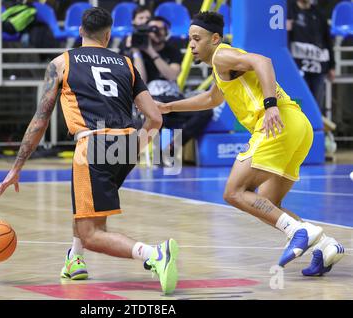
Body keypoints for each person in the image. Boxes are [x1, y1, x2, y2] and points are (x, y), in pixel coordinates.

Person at [0, 7, 179, 294]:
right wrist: (134, 149)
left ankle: (153, 254)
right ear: (107, 36)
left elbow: (40, 120)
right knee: (86, 206)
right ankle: (74, 259)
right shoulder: (127, 63)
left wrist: (16, 167)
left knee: (92, 234)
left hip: (94, 142)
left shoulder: (61, 62)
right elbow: (155, 118)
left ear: (80, 31)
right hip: (127, 142)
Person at [157, 11, 344, 276]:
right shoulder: (221, 67)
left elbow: (262, 60)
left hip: (276, 124)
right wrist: (169, 106)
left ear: (215, 38)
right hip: (299, 127)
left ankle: (301, 231)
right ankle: (325, 246)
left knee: (233, 192)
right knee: (269, 205)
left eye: (197, 39)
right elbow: (211, 100)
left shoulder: (222, 54)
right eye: (190, 40)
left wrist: (269, 105)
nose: (191, 46)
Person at [122, 15, 213, 166]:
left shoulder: (172, 49)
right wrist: (138, 52)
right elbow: (141, 80)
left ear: (166, 32)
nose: (156, 32)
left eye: (160, 29)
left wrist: (152, 52)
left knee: (205, 112)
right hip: (153, 100)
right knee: (154, 112)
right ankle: (157, 154)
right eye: (152, 29)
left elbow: (172, 75)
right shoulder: (137, 53)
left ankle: (172, 146)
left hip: (174, 99)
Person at [287, 0, 335, 116]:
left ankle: (315, 131)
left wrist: (332, 66)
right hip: (297, 67)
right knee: (299, 103)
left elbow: (327, 40)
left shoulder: (319, 13)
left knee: (316, 105)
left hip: (318, 68)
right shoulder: (289, 11)